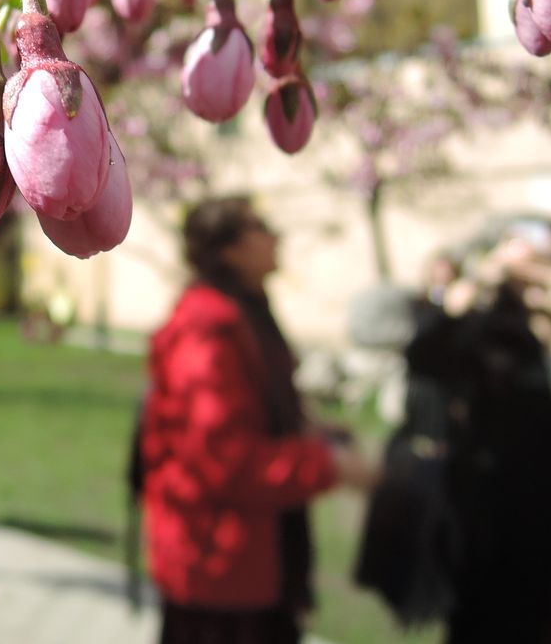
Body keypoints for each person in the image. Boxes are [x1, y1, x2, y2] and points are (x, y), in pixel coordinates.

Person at [139, 195, 374, 644]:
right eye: (259, 227)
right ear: (228, 249)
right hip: (218, 572)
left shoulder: (245, 309)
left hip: (252, 558)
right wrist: (331, 467)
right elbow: (223, 461)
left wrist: (308, 431)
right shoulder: (207, 330)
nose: (275, 237)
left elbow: (251, 415)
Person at [399, 217, 551, 644]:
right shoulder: (491, 328)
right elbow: (425, 360)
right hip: (500, 520)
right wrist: (469, 293)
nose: (544, 273)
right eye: (534, 263)